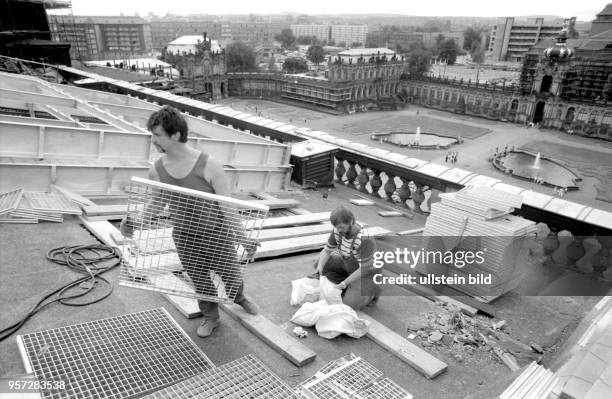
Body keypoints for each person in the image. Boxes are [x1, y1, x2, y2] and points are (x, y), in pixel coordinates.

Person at [120, 106, 258, 338]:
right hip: (185, 236)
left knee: (231, 275)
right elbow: (157, 202)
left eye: (157, 135)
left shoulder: (209, 164)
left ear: (175, 135)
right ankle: (211, 318)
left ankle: (239, 298)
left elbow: (227, 205)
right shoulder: (158, 169)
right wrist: (134, 222)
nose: (153, 140)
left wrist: (243, 238)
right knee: (200, 279)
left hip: (216, 233)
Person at [313, 206, 380, 310]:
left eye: (342, 227)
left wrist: (343, 284)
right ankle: (348, 282)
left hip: (366, 272)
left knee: (348, 305)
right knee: (317, 261)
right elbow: (327, 250)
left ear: (351, 222)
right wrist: (320, 266)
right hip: (349, 265)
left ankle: (371, 292)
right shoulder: (337, 230)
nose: (339, 230)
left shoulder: (364, 238)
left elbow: (364, 269)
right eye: (336, 227)